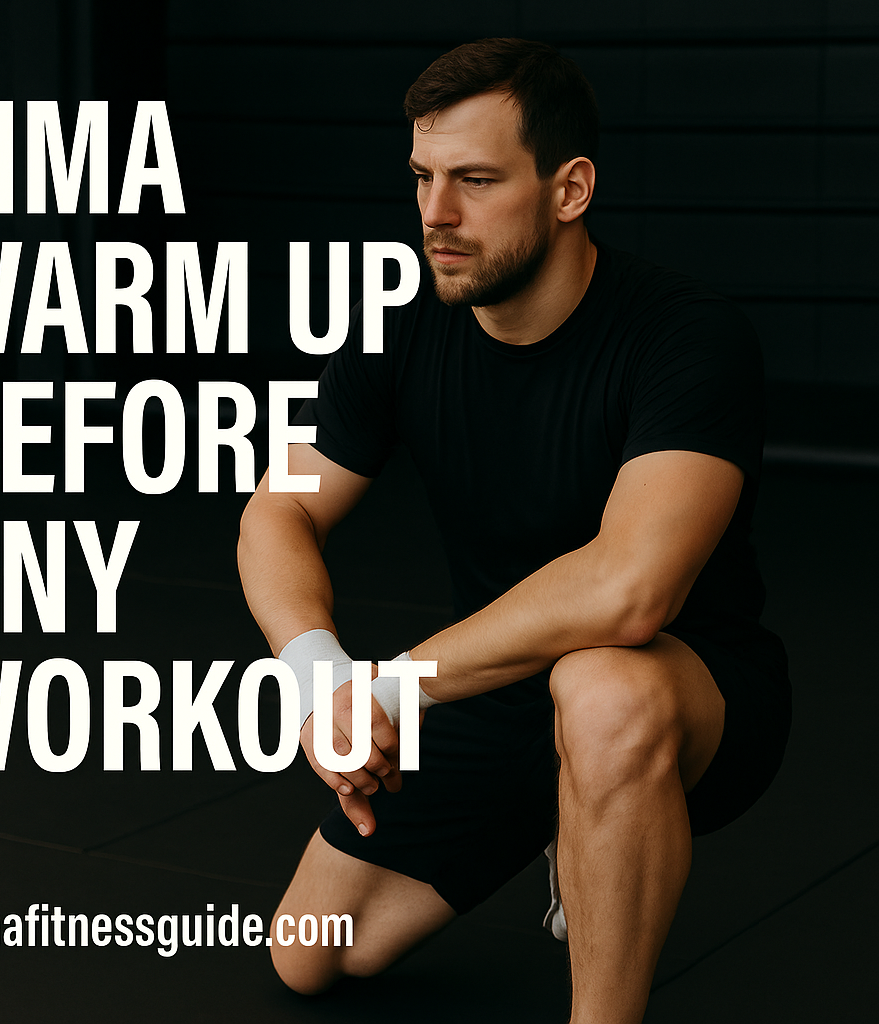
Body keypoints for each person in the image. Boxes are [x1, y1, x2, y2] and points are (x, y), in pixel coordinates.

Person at [237, 38, 791, 1024]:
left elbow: (629, 589)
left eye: (476, 181)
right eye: (422, 177)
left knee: (600, 687)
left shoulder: (686, 337)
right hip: (498, 686)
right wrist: (318, 671)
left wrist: (396, 685)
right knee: (311, 954)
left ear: (568, 188)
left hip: (686, 687)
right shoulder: (397, 333)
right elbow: (277, 506)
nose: (434, 216)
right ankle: (572, 825)